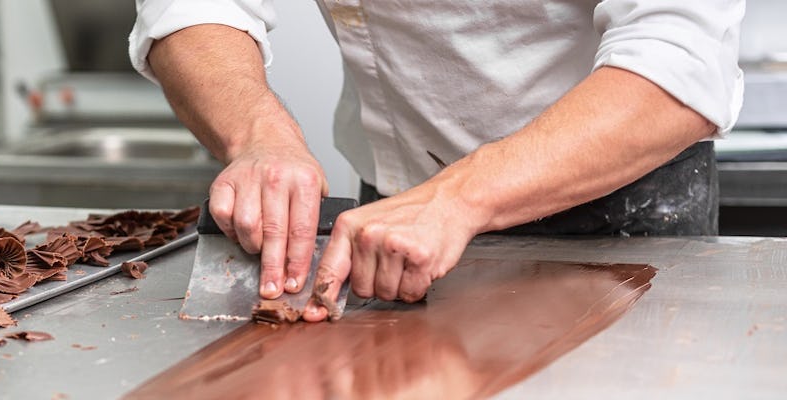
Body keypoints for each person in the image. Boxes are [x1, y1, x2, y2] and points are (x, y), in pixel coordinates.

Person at [129, 1, 744, 322]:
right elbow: (193, 6)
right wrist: (257, 132)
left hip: (617, 215)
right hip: (393, 220)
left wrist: (460, 198)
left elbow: (679, 55)